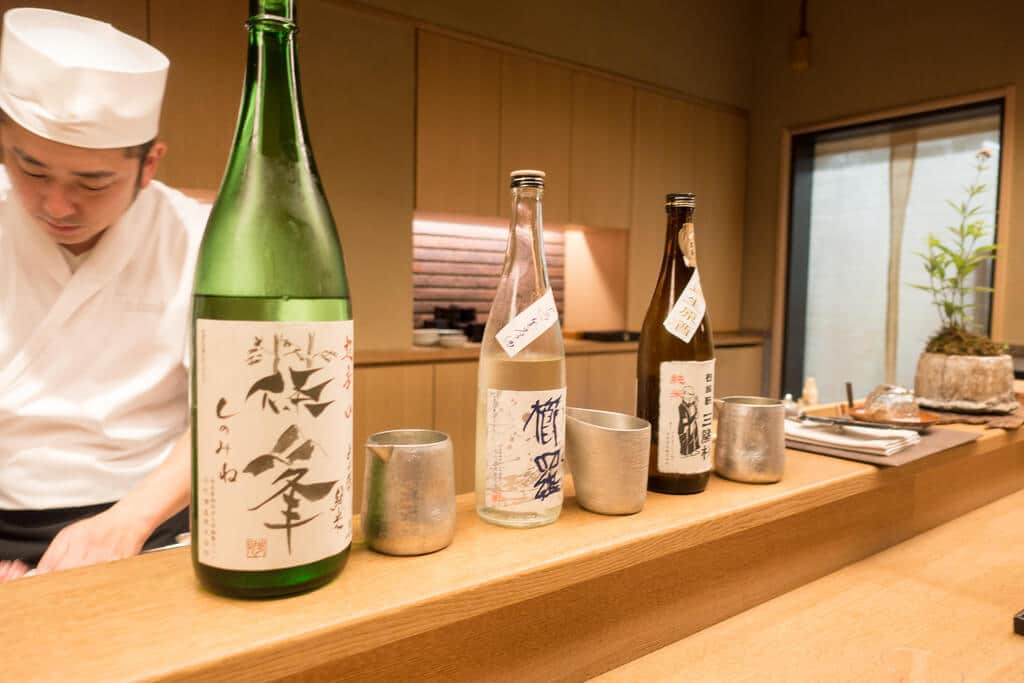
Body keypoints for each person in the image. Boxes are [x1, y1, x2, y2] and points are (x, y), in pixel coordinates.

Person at [0, 8, 209, 580]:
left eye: (93, 182)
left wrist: (126, 524)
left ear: (149, 165)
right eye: (32, 171)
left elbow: (227, 408)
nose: (58, 206)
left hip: (145, 513)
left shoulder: (200, 239)